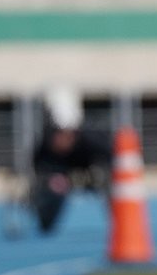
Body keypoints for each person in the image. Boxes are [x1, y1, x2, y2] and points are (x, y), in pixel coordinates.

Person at [27, 87, 112, 234]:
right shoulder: (46, 143)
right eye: (59, 133)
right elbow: (38, 163)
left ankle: (118, 221)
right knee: (52, 190)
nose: (63, 138)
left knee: (110, 185)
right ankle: (45, 222)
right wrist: (49, 179)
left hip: (86, 169)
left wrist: (101, 174)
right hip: (59, 172)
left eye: (68, 134)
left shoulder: (90, 139)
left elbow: (109, 155)